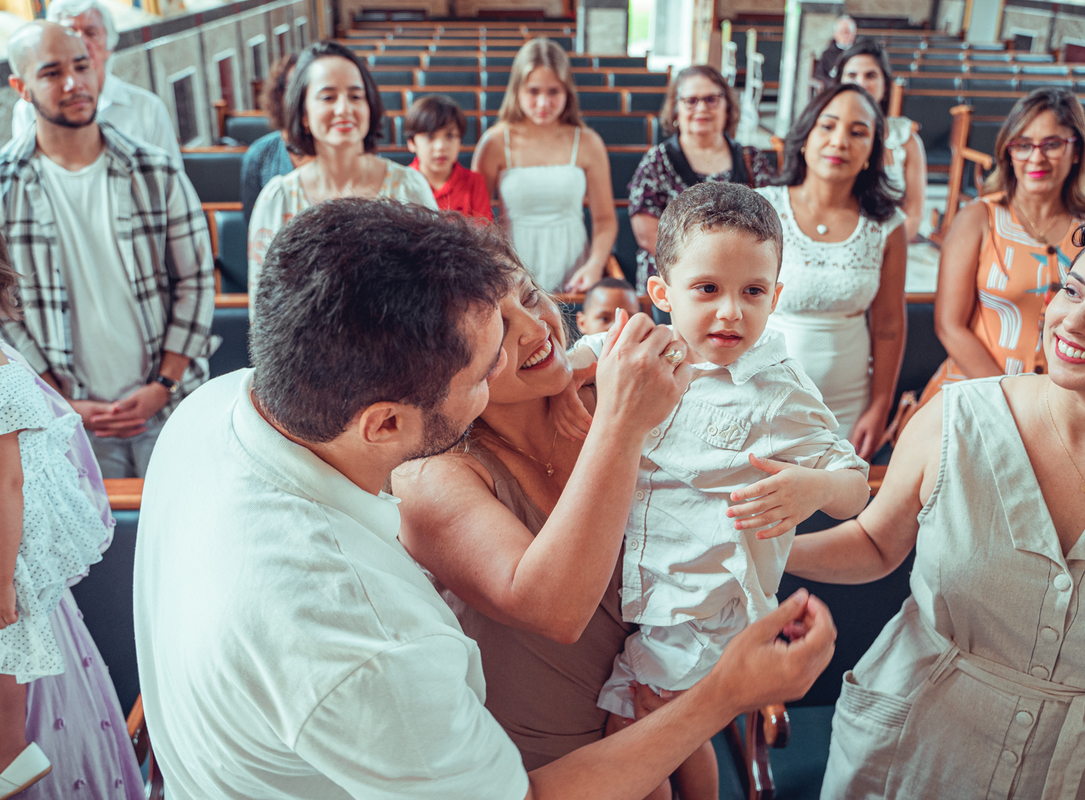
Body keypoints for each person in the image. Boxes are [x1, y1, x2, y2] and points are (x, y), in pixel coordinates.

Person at [134, 197, 837, 799]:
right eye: (484, 363)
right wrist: (724, 695)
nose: (527, 339)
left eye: (526, 300)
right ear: (387, 425)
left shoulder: (225, 404)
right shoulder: (361, 638)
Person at [788, 194, 1085, 799]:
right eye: (1071, 289)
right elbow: (876, 543)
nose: (1072, 322)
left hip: (1080, 772)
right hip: (914, 748)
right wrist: (767, 544)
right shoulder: (956, 418)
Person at [564, 182, 870, 800]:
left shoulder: (778, 386)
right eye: (707, 289)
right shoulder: (644, 348)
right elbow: (570, 362)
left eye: (752, 292)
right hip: (632, 585)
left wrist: (812, 486)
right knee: (666, 731)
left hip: (702, 603)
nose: (731, 311)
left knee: (639, 727)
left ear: (776, 297)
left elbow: (856, 486)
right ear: (662, 294)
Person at [1, 21, 215, 479]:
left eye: (82, 66)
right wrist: (57, 395)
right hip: (66, 417)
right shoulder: (4, 187)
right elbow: (3, 311)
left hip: (169, 402)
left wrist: (163, 382)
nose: (75, 83)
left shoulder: (154, 171)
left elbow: (195, 279)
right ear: (21, 87)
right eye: (52, 72)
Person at [0, 250, 142, 800]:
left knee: (11, 649)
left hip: (9, 555)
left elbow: (8, 484)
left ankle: (12, 761)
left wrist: (3, 583)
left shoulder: (2, 371)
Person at [921, 88, 1085, 403]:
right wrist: (1011, 400)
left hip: (1060, 402)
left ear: (1076, 151)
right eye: (1024, 145)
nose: (1036, 157)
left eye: (1052, 144)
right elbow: (949, 326)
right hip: (977, 390)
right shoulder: (977, 218)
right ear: (1009, 152)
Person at [756, 84, 907, 456]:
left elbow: (888, 324)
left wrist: (880, 405)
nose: (840, 141)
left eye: (858, 133)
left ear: (872, 152)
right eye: (828, 126)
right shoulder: (761, 209)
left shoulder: (887, 225)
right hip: (758, 394)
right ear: (805, 138)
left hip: (845, 406)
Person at [247, 40, 436, 305]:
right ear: (303, 114)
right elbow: (262, 308)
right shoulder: (278, 198)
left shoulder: (408, 188)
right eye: (328, 97)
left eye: (356, 96)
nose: (344, 109)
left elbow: (434, 291)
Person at [472, 38, 616, 292]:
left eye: (553, 92)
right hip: (513, 267)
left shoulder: (588, 142)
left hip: (573, 267)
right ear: (517, 90)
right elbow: (476, 217)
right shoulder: (494, 142)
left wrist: (594, 265)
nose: (543, 104)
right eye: (534, 91)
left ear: (567, 92)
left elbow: (605, 219)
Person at [627, 65, 776, 291]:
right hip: (675, 278)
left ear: (727, 105)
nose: (702, 108)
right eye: (691, 101)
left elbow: (771, 221)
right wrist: (707, 267)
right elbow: (647, 234)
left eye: (711, 99)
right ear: (676, 109)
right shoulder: (657, 161)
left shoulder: (751, 159)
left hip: (742, 275)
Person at [11, 0, 182, 169]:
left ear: (110, 45)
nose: (80, 43)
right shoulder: (28, 109)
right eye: (69, 32)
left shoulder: (148, 108)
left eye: (90, 33)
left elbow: (170, 178)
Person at [835, 40, 926, 242]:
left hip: (887, 245)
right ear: (840, 83)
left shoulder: (906, 140)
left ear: (885, 85)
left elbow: (914, 214)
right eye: (852, 75)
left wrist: (884, 253)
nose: (861, 83)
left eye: (871, 75)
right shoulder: (825, 137)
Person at [240, 54, 310, 226]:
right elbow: (255, 224)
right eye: (294, 88)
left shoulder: (337, 152)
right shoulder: (259, 156)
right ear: (279, 95)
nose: (303, 98)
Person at [404, 94, 493, 221]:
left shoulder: (474, 183)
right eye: (430, 137)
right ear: (411, 143)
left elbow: (484, 236)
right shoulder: (401, 182)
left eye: (450, 136)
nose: (440, 146)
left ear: (460, 141)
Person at [815, 15, 856, 92]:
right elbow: (819, 75)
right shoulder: (827, 54)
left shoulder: (859, 53)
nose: (845, 35)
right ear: (835, 34)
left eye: (848, 31)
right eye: (842, 32)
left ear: (853, 34)